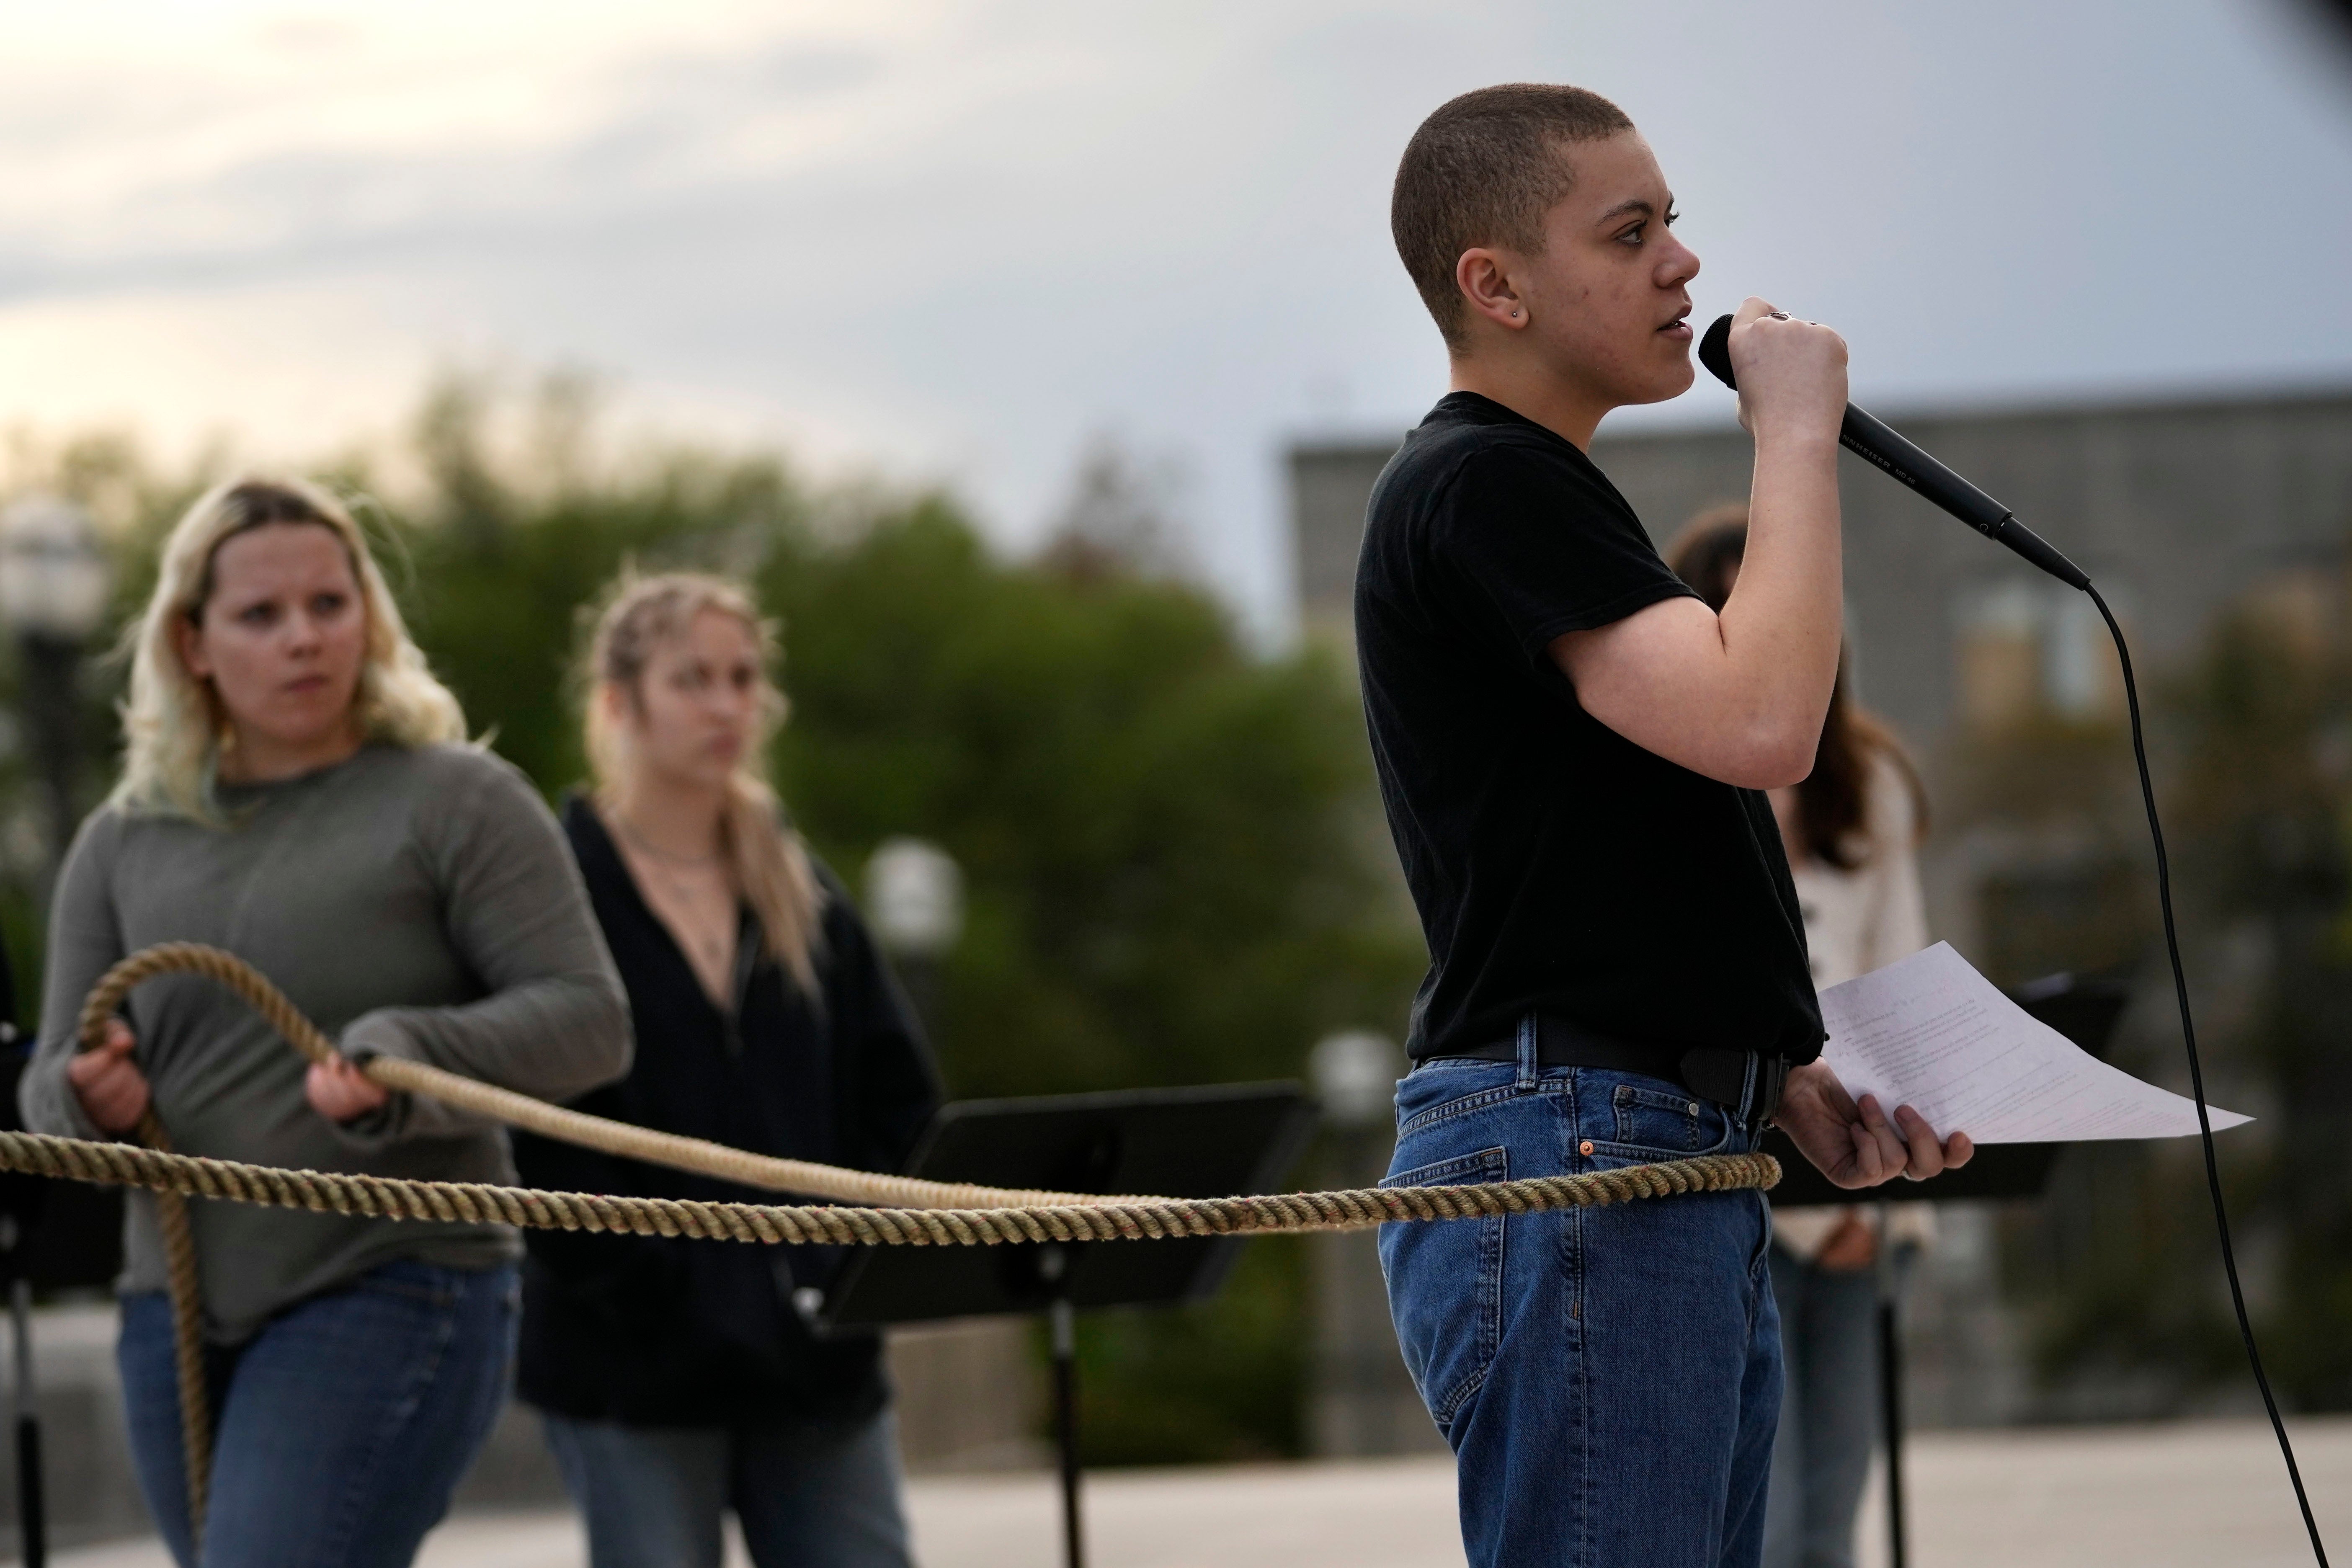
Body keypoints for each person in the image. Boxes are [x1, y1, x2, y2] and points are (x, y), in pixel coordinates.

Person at [1358, 85, 1972, 1568]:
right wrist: (1796, 436)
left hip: (1641, 1139)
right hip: (1572, 1154)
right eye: (1629, 233)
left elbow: (1610, 854)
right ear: (1491, 285)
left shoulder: (1536, 491)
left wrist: (1769, 1067)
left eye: (1673, 224)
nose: (1681, 266)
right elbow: (1761, 723)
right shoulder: (1486, 480)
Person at [20, 477, 631, 1568]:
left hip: (397, 1275)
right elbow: (47, 1086)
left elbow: (593, 1023)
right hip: (174, 1311)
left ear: (369, 618)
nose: (303, 638)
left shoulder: (460, 799)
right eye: (261, 615)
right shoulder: (121, 842)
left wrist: (414, 1050)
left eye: (329, 605)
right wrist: (86, 1096)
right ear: (193, 644)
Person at [511, 572, 940, 1568]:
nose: (725, 705)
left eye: (743, 679)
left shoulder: (801, 885)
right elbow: (533, 1133)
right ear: (620, 701)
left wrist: (832, 1270)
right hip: (634, 1366)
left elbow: (901, 1103)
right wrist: (665, 1289)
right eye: (692, 678)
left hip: (813, 1361)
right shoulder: (557, 890)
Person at [1671, 509, 1936, 1568]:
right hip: (1734, 1178)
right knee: (1758, 1509)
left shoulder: (1867, 780)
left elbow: (1900, 971)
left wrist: (1888, 1195)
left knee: (1834, 1503)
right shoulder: (1673, 767)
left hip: (1859, 1172)